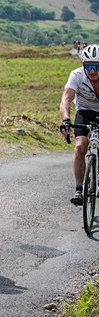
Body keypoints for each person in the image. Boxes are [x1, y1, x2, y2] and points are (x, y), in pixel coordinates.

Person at [59, 44, 99, 205]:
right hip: (85, 111)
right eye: (88, 66)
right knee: (80, 146)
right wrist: (66, 120)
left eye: (96, 67)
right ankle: (78, 189)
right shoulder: (77, 75)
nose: (92, 71)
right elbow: (66, 99)